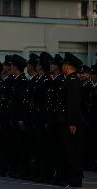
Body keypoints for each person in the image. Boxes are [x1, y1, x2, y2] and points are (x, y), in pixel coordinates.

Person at [58, 52, 84, 187]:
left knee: (72, 152)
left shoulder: (73, 80)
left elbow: (73, 103)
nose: (62, 66)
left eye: (63, 64)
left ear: (68, 65)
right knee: (67, 151)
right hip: (66, 121)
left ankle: (75, 180)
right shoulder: (68, 79)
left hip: (71, 123)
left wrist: (72, 122)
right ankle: (69, 178)